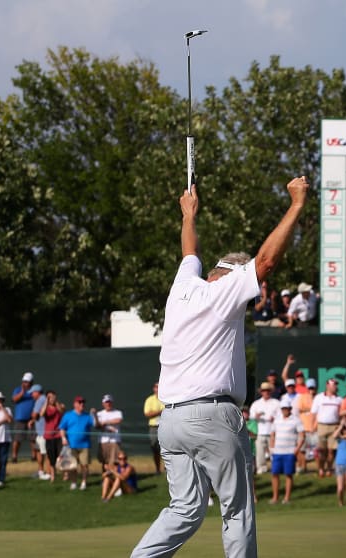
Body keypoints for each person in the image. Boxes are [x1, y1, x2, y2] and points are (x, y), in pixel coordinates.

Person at [132, 176, 309, 558]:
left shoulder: (183, 285)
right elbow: (265, 262)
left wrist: (189, 213)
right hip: (211, 415)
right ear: (231, 275)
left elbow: (188, 250)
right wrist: (295, 205)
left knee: (186, 509)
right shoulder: (224, 291)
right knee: (237, 509)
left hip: (172, 420)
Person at [269, 400, 304, 504]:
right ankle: (275, 498)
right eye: (283, 408)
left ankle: (287, 498)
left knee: (288, 474)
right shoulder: (277, 420)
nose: (285, 410)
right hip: (277, 452)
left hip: (289, 452)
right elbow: (272, 435)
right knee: (275, 474)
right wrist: (272, 449)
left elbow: (302, 436)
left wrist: (296, 450)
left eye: (286, 408)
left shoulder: (296, 420)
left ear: (290, 409)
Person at [59, 396, 95, 491]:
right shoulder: (68, 415)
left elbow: (95, 424)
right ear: (75, 404)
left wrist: (93, 414)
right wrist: (63, 438)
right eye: (79, 402)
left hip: (85, 445)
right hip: (72, 445)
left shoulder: (87, 416)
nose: (82, 404)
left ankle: (84, 483)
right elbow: (62, 428)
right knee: (72, 466)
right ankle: (74, 482)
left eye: (83, 402)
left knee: (84, 465)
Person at [312, 379, 343, 478]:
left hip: (334, 426)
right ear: (327, 386)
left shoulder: (339, 399)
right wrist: (313, 426)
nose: (335, 387)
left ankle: (329, 468)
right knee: (321, 450)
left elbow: (341, 414)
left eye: (336, 385)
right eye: (333, 385)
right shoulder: (319, 398)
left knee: (331, 450)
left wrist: (339, 426)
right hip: (321, 426)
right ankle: (321, 468)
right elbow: (314, 413)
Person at [249, 382, 281, 475]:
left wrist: (275, 417)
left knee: (273, 451)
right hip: (260, 431)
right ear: (261, 392)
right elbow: (250, 416)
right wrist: (256, 416)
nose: (266, 392)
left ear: (270, 391)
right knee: (260, 452)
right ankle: (261, 468)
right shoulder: (256, 403)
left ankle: (275, 468)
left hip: (272, 432)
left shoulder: (276, 403)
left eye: (267, 390)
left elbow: (280, 415)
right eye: (264, 391)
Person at [10, 371, 35, 463]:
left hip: (31, 419)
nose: (25, 383)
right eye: (24, 381)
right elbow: (14, 399)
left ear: (31, 382)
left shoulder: (34, 391)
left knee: (33, 439)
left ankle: (34, 456)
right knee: (17, 439)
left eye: (27, 382)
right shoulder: (17, 389)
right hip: (20, 418)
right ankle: (14, 456)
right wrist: (22, 392)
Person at [41, 390, 64, 483]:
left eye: (53, 396)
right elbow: (42, 414)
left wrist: (56, 402)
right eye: (50, 397)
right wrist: (46, 402)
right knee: (51, 457)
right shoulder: (45, 408)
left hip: (58, 435)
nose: (52, 399)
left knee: (61, 455)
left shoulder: (60, 406)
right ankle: (53, 476)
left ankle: (65, 474)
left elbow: (62, 411)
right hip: (49, 436)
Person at [95, 394, 124, 470]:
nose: (108, 404)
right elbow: (97, 425)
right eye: (106, 402)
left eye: (109, 402)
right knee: (104, 461)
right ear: (103, 403)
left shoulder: (117, 412)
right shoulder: (99, 414)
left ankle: (114, 478)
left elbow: (118, 420)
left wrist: (105, 422)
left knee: (115, 461)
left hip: (115, 440)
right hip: (103, 441)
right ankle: (105, 478)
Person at [142, 383, 165, 475]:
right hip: (154, 428)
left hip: (166, 426)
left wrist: (154, 412)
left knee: (167, 448)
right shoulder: (149, 400)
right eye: (156, 387)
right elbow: (147, 414)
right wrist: (160, 411)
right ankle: (157, 469)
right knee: (155, 449)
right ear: (154, 389)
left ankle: (167, 468)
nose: (158, 388)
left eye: (160, 386)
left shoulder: (167, 398)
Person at [332, 421, 346, 506]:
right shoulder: (339, 440)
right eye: (344, 432)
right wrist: (341, 425)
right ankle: (341, 503)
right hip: (339, 464)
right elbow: (334, 435)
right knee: (340, 488)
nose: (345, 434)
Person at [29, 384, 49, 479]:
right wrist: (33, 420)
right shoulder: (43, 399)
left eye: (33, 393)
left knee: (45, 453)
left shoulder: (40, 400)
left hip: (43, 432)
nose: (32, 395)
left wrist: (33, 417)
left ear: (37, 392)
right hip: (40, 432)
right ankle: (41, 472)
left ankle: (48, 473)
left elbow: (35, 414)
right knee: (39, 451)